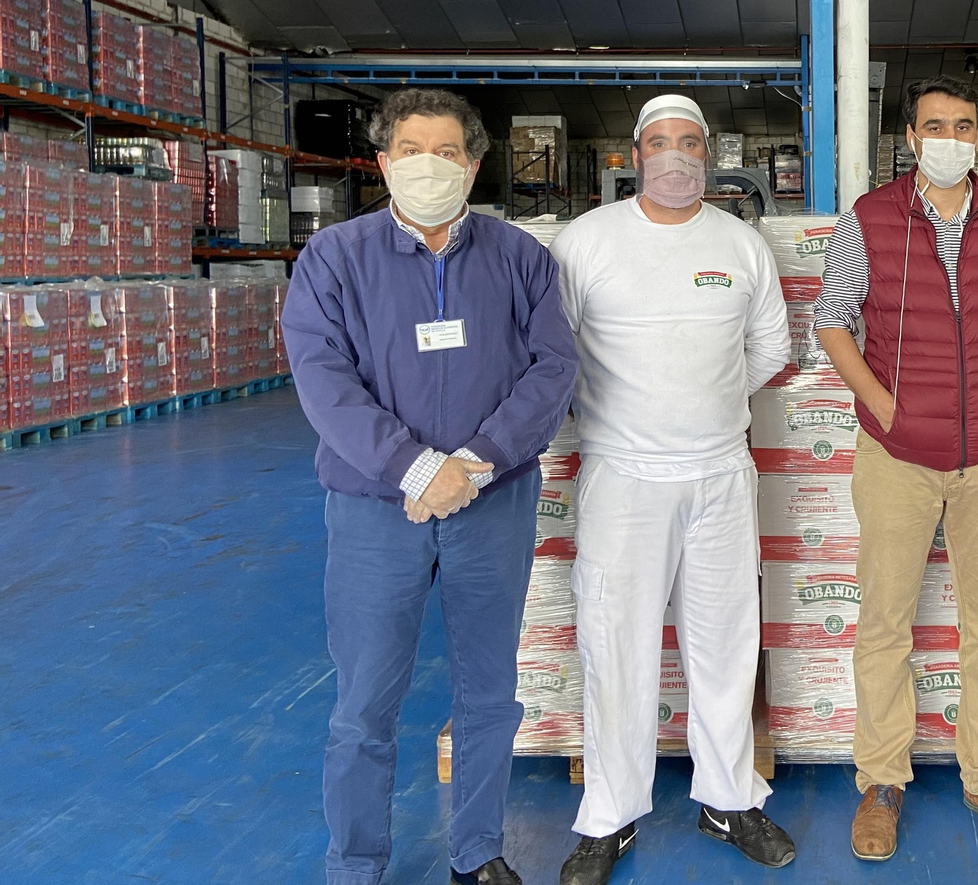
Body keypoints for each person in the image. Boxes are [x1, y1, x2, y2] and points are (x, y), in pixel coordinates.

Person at [282, 88, 579, 885]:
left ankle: (477, 850)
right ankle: (356, 862)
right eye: (411, 150)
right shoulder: (335, 258)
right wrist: (416, 468)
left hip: (493, 500)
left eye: (447, 152)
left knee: (489, 690)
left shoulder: (520, 259)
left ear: (474, 165)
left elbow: (554, 369)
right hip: (379, 506)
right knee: (366, 700)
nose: (429, 166)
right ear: (382, 162)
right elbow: (322, 379)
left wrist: (475, 463)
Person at [549, 94, 795, 885]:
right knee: (614, 644)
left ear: (712, 152)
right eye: (660, 143)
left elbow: (768, 350)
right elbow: (554, 355)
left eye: (691, 143)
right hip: (623, 476)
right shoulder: (586, 243)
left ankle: (729, 799)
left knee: (725, 645)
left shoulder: (740, 244)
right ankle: (609, 817)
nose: (676, 157)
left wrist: (707, 408)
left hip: (721, 472)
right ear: (634, 155)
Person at [813, 74, 978, 862]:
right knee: (885, 623)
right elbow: (831, 319)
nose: (949, 138)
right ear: (910, 138)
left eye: (964, 126)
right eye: (934, 126)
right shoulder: (873, 219)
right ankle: (881, 782)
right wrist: (882, 406)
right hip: (896, 456)